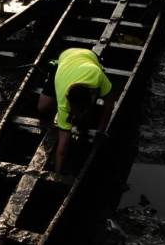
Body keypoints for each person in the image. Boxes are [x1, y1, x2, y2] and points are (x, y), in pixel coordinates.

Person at [37, 47, 115, 177]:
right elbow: (63, 146)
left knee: (84, 119)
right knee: (42, 108)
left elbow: (110, 102)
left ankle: (85, 118)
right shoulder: (63, 101)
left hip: (89, 58)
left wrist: (101, 130)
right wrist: (58, 175)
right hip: (65, 58)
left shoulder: (97, 75)